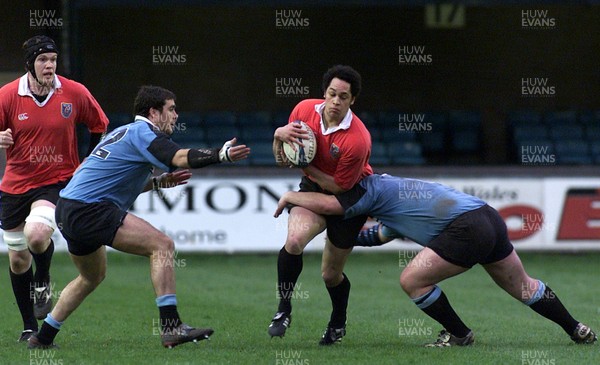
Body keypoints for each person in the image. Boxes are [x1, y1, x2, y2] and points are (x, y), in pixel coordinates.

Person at [28, 85, 250, 349]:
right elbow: (179, 157)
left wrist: (156, 183)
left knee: (91, 277)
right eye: (171, 109)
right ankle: (171, 327)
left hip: (68, 208)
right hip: (90, 209)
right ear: (154, 113)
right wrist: (220, 154)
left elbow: (102, 178)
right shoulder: (143, 132)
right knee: (162, 245)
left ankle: (42, 338)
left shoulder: (121, 132)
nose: (176, 115)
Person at [274, 174, 597, 347]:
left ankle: (459, 334)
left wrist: (292, 197)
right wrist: (341, 239)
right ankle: (576, 329)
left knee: (412, 280)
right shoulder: (391, 199)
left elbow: (335, 208)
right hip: (487, 218)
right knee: (525, 287)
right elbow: (372, 236)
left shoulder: (370, 187)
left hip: (466, 228)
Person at [0, 35, 109, 342]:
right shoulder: (8, 95)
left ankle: (44, 276)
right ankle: (28, 326)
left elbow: (99, 125)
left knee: (36, 235)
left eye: (53, 60)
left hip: (56, 182)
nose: (49, 66)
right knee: (18, 258)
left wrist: (87, 164)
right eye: (42, 60)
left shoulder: (73, 92)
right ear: (30, 65)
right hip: (15, 185)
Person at [269, 65, 372, 345]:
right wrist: (279, 135)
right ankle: (284, 309)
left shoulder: (358, 139)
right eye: (332, 94)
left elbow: (339, 187)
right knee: (294, 241)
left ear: (353, 101)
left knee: (330, 274)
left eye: (343, 97)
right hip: (314, 187)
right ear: (324, 93)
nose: (336, 102)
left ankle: (338, 322)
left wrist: (306, 167)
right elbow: (282, 158)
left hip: (349, 197)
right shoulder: (303, 111)